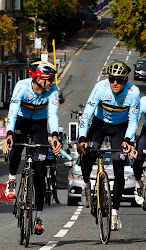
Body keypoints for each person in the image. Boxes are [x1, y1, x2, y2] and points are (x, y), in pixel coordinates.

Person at [77, 61, 140, 231]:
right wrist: (82, 137)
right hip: (99, 124)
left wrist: (128, 139)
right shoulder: (100, 87)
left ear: (125, 80)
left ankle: (115, 213)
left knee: (119, 167)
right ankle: (86, 185)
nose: (115, 83)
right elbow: (86, 115)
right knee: (89, 153)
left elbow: (134, 121)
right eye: (112, 79)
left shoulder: (133, 93)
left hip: (120, 128)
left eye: (119, 80)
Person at [2, 61, 62, 235]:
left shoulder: (53, 91)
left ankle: (39, 217)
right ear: (37, 78)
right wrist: (9, 134)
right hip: (21, 120)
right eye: (49, 79)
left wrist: (55, 135)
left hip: (39, 125)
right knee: (16, 148)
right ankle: (12, 180)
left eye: (53, 79)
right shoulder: (21, 87)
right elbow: (12, 111)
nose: (52, 82)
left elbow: (52, 115)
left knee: (40, 170)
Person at [45, 136, 72, 204]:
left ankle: (55, 197)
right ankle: (44, 195)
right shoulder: (45, 147)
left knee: (53, 181)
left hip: (53, 162)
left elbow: (64, 153)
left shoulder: (55, 147)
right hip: (45, 162)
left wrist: (71, 159)